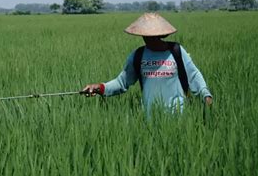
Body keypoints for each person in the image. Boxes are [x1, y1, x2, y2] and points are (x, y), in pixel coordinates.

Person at [82, 13, 212, 113]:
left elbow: (194, 75)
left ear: (161, 34)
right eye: (146, 35)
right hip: (150, 120)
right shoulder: (138, 55)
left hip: (178, 117)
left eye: (152, 36)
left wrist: (206, 95)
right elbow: (121, 82)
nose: (148, 39)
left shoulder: (176, 51)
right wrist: (99, 87)